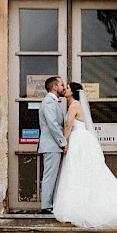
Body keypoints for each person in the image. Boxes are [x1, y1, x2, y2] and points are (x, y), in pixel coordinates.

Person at [53, 82, 117, 228]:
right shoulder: (75, 104)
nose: (65, 90)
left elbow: (68, 125)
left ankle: (79, 207)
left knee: (76, 171)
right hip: (83, 139)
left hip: (78, 140)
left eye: (67, 88)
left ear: (73, 92)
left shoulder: (74, 104)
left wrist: (63, 142)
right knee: (84, 172)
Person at [37, 75, 68, 214]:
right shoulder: (49, 102)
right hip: (52, 146)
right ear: (55, 87)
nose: (63, 87)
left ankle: (50, 204)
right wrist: (63, 142)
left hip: (53, 146)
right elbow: (53, 125)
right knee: (50, 175)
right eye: (61, 85)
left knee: (53, 175)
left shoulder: (53, 102)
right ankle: (46, 206)